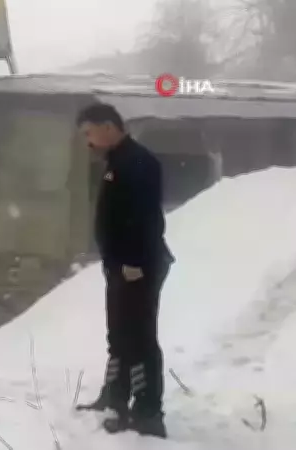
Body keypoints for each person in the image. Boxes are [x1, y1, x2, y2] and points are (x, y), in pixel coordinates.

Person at [74, 103, 174, 438]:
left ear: (108, 127)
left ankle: (148, 413)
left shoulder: (139, 162)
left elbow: (146, 219)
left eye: (89, 133)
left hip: (138, 266)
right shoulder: (116, 161)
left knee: (140, 338)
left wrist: (133, 261)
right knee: (118, 334)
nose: (88, 142)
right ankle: (115, 397)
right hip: (120, 266)